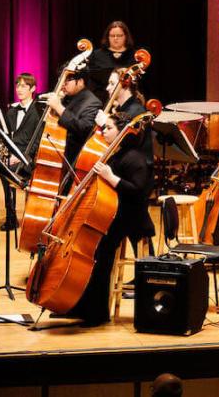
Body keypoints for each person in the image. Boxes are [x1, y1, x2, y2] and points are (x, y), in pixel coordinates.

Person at [65, 114, 151, 328]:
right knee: (91, 248)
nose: (103, 131)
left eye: (109, 128)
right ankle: (80, 305)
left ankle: (96, 312)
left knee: (99, 251)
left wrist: (111, 177)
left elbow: (138, 192)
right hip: (114, 213)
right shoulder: (114, 153)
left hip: (131, 218)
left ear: (122, 132)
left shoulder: (135, 158)